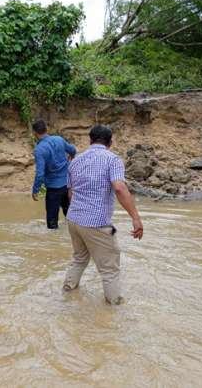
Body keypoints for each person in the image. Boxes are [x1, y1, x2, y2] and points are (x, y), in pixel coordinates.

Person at [63, 125, 143, 305]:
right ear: (110, 142)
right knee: (110, 268)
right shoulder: (112, 159)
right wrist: (135, 218)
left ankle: (67, 292)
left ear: (90, 140)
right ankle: (115, 307)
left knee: (79, 258)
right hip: (97, 222)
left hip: (74, 219)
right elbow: (119, 188)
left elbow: (70, 192)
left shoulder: (75, 161)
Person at [31, 120, 77, 229]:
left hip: (53, 189)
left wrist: (35, 190)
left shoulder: (39, 149)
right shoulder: (59, 139)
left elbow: (40, 173)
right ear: (47, 129)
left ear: (34, 133)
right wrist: (70, 157)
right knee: (71, 217)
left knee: (52, 224)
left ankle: (54, 242)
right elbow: (73, 150)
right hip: (67, 185)